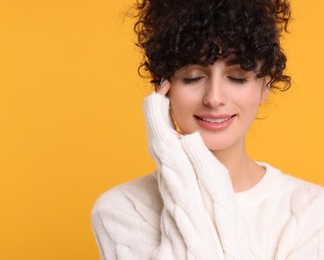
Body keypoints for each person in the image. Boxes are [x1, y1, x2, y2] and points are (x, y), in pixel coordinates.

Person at [91, 0, 324, 259]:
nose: (214, 98)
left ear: (265, 85)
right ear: (163, 87)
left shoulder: (312, 211)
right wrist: (176, 163)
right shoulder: (123, 210)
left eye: (237, 78)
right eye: (193, 77)